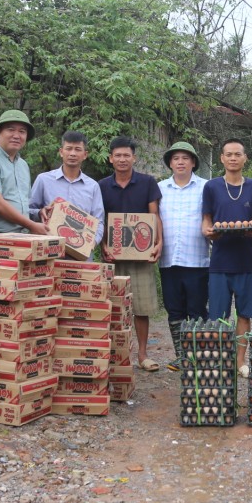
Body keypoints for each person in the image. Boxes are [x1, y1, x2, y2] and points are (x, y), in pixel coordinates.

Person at [99, 136, 163, 372]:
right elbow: (100, 219)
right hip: (113, 256)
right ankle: (117, 354)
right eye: (118, 155)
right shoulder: (102, 186)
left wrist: (159, 242)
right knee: (113, 306)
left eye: (127, 155)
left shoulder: (147, 182)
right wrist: (103, 245)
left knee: (142, 307)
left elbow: (154, 215)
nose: (122, 159)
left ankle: (143, 355)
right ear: (111, 159)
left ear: (134, 158)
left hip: (141, 256)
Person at [202, 138, 252, 377]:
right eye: (228, 154)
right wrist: (207, 230)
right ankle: (220, 359)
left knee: (245, 314)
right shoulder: (212, 187)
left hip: (245, 260)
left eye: (237, 154)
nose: (233, 158)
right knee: (218, 316)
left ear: (245, 158)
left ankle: (240, 361)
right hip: (219, 261)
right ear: (221, 158)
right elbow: (206, 219)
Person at [157, 141, 210, 371]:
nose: (180, 162)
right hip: (168, 259)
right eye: (176, 158)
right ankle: (181, 356)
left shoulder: (206, 187)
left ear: (193, 162)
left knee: (197, 310)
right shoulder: (159, 189)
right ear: (170, 163)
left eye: (185, 158)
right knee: (174, 309)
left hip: (197, 260)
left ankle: (197, 356)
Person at [29, 130, 105, 251]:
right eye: (68, 148)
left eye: (77, 149)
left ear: (85, 155)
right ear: (61, 152)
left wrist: (92, 243)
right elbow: (27, 211)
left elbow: (99, 221)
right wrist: (39, 213)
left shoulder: (93, 186)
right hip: (49, 252)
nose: (72, 153)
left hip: (81, 255)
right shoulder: (43, 180)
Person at [0, 110, 47, 235]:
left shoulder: (23, 165)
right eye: (11, 130)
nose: (16, 136)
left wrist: (38, 213)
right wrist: (31, 225)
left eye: (22, 131)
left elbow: (24, 206)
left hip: (22, 234)